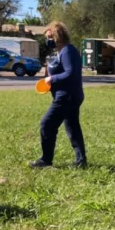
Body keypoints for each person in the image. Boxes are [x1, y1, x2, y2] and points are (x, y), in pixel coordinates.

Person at [30, 22, 87, 168]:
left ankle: (45, 160)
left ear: (58, 36)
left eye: (49, 37)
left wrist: (51, 79)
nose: (47, 40)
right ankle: (81, 161)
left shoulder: (67, 51)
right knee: (72, 127)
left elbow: (70, 73)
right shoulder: (62, 51)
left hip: (67, 96)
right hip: (70, 95)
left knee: (47, 124)